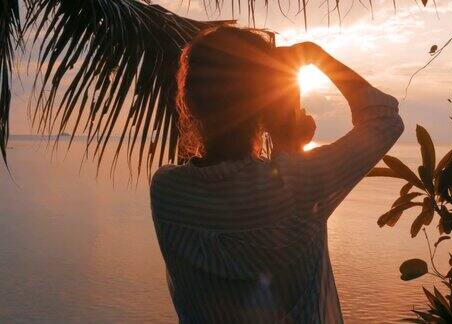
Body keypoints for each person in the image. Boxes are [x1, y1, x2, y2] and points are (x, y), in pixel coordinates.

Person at [150, 26, 404, 323]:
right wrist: (315, 55)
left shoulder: (167, 193)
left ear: (190, 102)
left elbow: (245, 209)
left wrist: (288, 148)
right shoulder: (301, 184)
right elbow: (385, 119)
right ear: (265, 106)